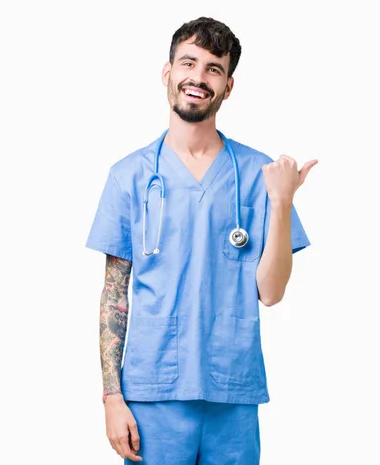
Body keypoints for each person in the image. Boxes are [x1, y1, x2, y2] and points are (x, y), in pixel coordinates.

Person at [85, 16, 318, 465]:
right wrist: (112, 398)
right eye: (188, 63)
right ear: (168, 73)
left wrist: (282, 201)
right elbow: (114, 297)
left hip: (231, 393)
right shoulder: (129, 176)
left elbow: (270, 293)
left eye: (213, 68)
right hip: (152, 393)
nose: (198, 77)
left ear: (228, 86)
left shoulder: (258, 174)